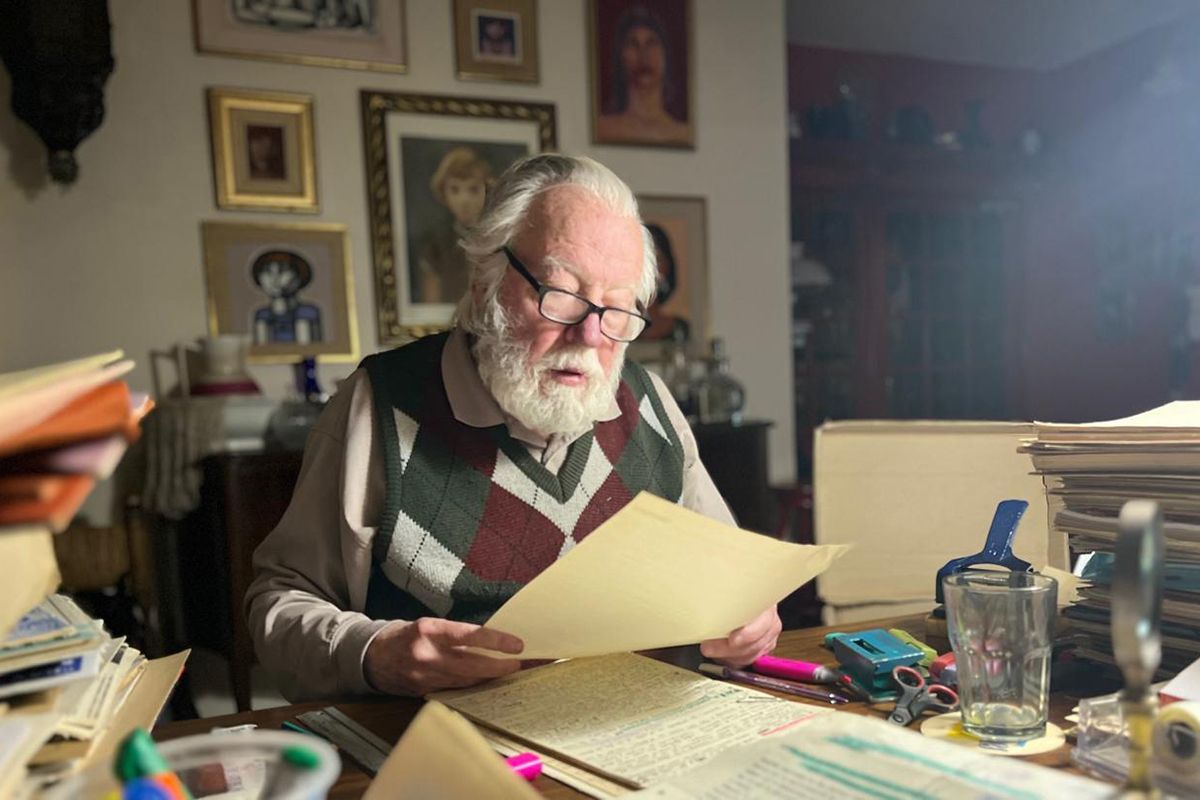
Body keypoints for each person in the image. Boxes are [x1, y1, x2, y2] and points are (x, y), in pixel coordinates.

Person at [246, 154, 780, 701]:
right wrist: (375, 653)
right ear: (486, 282)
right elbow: (279, 605)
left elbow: (733, 579)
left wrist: (750, 619)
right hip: (451, 738)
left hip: (641, 723)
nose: (591, 336)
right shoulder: (379, 405)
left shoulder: (648, 404)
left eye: (618, 308)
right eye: (562, 296)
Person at [594, 5, 690, 145]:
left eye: (651, 43)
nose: (643, 55)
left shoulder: (682, 133)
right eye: (633, 44)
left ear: (666, 56)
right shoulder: (604, 127)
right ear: (620, 57)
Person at [415, 146, 494, 304]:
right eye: (455, 189)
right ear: (443, 192)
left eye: (473, 189)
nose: (464, 200)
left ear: (487, 190)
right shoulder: (435, 246)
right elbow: (431, 303)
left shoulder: (500, 240)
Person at [250, 249, 322, 345]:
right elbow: (262, 347)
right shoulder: (263, 314)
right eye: (268, 271)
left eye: (282, 270)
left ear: (299, 277)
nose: (274, 279)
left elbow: (307, 348)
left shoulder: (307, 312)